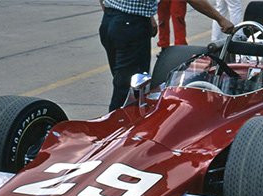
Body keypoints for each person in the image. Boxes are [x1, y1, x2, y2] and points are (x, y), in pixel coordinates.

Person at [100, 0, 234, 112]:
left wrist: (115, 16)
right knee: (131, 88)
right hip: (130, 25)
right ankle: (117, 132)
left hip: (110, 21)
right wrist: (220, 19)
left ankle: (118, 129)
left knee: (122, 81)